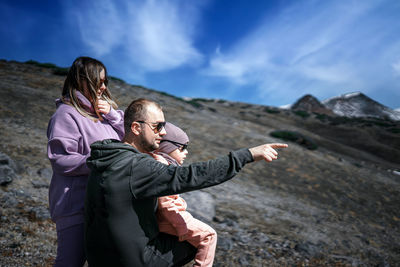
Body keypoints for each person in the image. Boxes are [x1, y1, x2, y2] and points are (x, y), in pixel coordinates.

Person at [84, 98, 287, 267]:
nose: (163, 132)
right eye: (158, 126)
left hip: (98, 258)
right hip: (132, 261)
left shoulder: (107, 158)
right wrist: (246, 155)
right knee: (197, 240)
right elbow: (190, 176)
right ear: (136, 127)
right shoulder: (137, 166)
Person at [47, 56, 124, 267]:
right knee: (70, 262)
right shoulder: (66, 114)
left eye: (105, 81)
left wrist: (113, 115)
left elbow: (132, 142)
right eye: (97, 81)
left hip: (105, 206)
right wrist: (100, 163)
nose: (103, 87)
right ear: (81, 80)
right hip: (76, 205)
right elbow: (61, 160)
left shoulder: (105, 115)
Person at [153, 122, 217, 267]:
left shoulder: (158, 162)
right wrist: (180, 226)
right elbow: (165, 203)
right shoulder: (164, 167)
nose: (186, 152)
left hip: (168, 218)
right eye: (182, 148)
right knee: (209, 235)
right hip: (168, 220)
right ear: (167, 147)